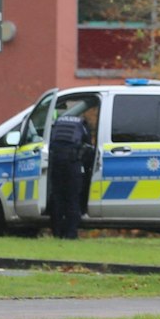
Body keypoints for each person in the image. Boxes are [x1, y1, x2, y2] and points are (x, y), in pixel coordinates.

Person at [46, 100, 92, 240]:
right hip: (73, 164)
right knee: (73, 198)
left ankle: (57, 232)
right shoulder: (81, 123)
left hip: (56, 163)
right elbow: (89, 147)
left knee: (57, 197)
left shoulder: (56, 122)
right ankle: (71, 233)